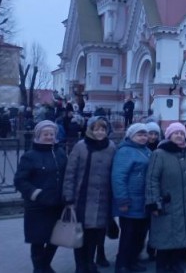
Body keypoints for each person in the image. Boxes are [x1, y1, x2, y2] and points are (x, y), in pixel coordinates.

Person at [145, 122, 186, 273]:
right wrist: (153, 202)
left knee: (179, 235)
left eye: (181, 133)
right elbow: (152, 179)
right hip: (166, 203)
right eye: (176, 133)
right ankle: (162, 266)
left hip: (185, 202)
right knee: (165, 236)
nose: (179, 136)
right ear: (169, 135)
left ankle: (175, 264)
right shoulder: (159, 153)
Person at [63, 117, 117, 273]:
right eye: (96, 129)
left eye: (102, 129)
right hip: (82, 197)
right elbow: (70, 173)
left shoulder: (111, 147)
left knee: (95, 233)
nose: (100, 132)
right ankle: (80, 265)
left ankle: (90, 263)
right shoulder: (81, 146)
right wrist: (68, 196)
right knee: (80, 233)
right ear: (90, 130)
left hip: (103, 198)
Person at [14, 121, 67, 273]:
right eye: (45, 134)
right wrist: (36, 193)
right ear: (38, 136)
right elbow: (20, 180)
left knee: (55, 238)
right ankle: (39, 268)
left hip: (57, 204)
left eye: (51, 134)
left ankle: (45, 265)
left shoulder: (60, 153)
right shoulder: (30, 156)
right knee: (38, 239)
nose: (49, 137)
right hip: (38, 206)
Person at [111, 123, 151, 273]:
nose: (143, 137)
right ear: (131, 136)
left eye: (144, 135)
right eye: (139, 135)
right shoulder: (125, 151)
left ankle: (133, 261)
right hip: (130, 201)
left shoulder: (146, 151)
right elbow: (118, 177)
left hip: (143, 201)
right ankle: (122, 264)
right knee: (128, 235)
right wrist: (122, 200)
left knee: (140, 234)